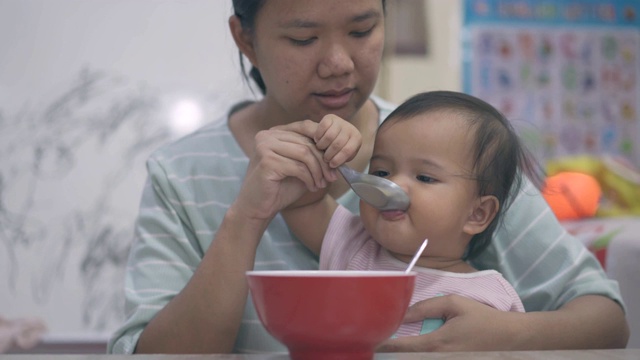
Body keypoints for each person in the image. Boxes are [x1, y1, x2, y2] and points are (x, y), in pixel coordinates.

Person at [108, 0, 629, 354]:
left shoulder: (460, 151)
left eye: (362, 30)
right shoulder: (180, 176)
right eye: (303, 37)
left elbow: (607, 319)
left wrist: (508, 334)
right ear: (245, 38)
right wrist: (247, 217)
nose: (338, 63)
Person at [281, 91, 533, 338]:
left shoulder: (492, 296)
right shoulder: (353, 243)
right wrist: (322, 142)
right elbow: (301, 201)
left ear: (477, 214)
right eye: (381, 172)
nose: (394, 185)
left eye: (424, 177)